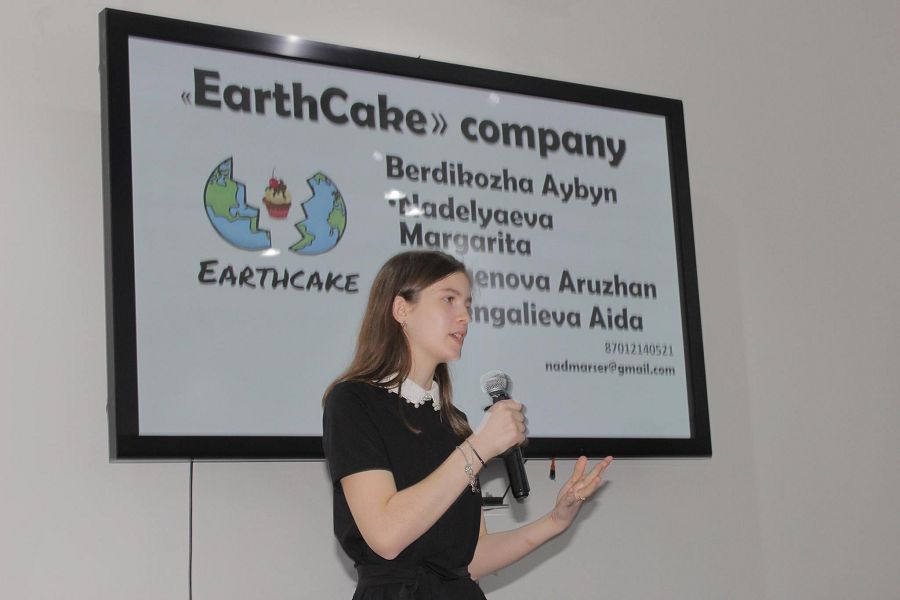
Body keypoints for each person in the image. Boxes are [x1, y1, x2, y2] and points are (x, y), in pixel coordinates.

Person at [322, 250, 613, 599]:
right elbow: (386, 536)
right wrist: (479, 448)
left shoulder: (453, 421)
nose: (465, 317)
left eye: (468, 305)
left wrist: (556, 521)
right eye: (449, 300)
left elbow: (471, 559)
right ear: (401, 309)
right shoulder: (353, 402)